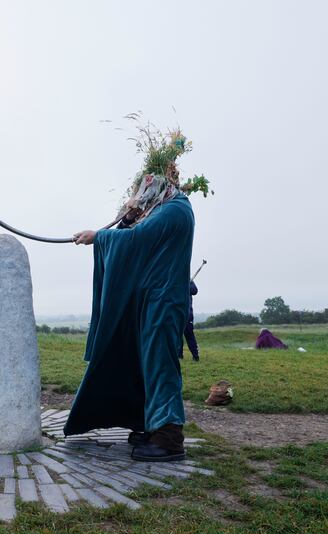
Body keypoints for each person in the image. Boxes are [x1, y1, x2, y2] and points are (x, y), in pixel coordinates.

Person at [65, 128, 206, 463]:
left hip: (163, 302)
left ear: (158, 185)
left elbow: (136, 243)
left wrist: (98, 237)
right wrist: (127, 219)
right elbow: (138, 235)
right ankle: (153, 426)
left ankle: (169, 437)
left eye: (143, 194)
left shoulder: (175, 209)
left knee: (161, 366)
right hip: (154, 302)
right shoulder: (166, 209)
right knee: (149, 364)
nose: (140, 201)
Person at [180, 280, 200, 361]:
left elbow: (194, 291)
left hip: (187, 314)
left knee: (189, 335)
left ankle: (195, 356)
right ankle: (179, 355)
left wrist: (186, 285)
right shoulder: (173, 279)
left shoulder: (189, 280)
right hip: (176, 314)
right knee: (177, 336)